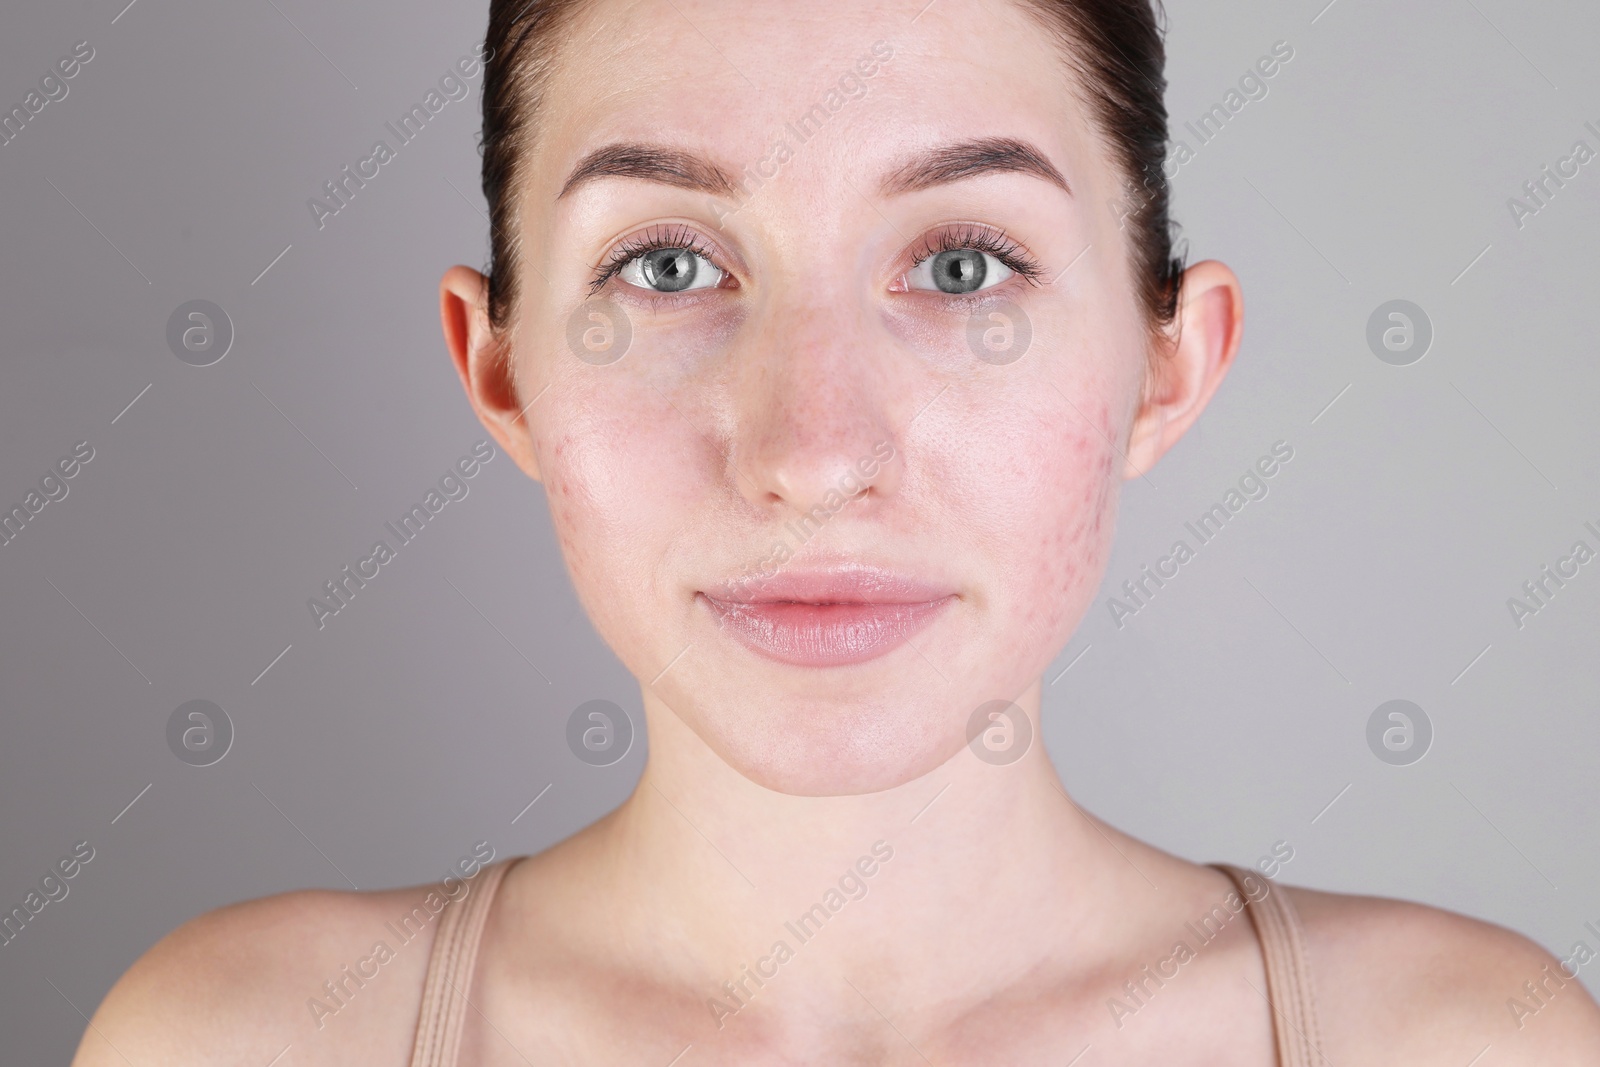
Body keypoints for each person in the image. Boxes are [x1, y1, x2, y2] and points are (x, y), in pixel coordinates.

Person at [73, 0, 1600, 1063]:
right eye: (667, 268)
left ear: (1168, 363)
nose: (814, 454)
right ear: (503, 369)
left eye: (960, 268)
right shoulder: (238, 1042)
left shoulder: (1475, 1047)